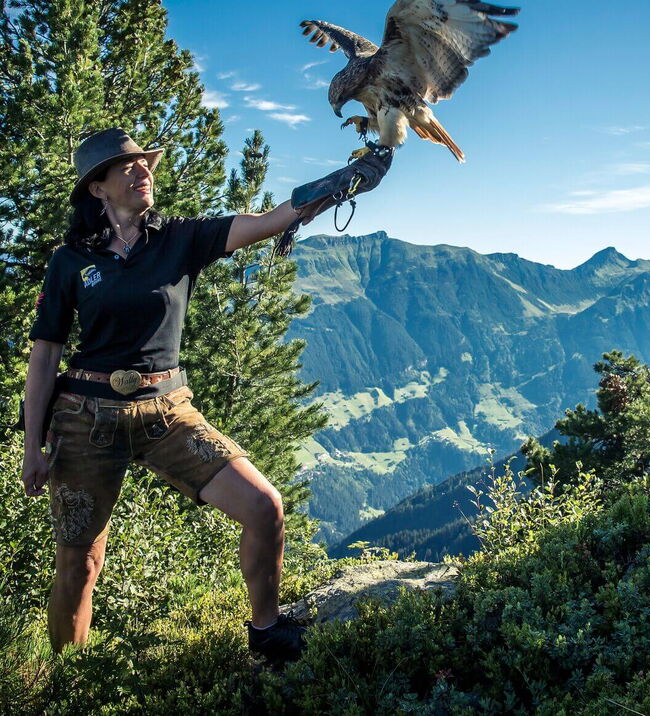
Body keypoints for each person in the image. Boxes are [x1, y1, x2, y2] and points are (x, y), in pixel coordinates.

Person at [19, 128, 391, 660]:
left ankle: (267, 633)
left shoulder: (179, 239)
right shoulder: (70, 262)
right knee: (79, 564)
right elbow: (45, 357)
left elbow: (270, 222)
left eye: (145, 164)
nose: (142, 171)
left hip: (167, 411)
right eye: (127, 167)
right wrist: (33, 445)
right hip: (85, 418)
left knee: (264, 506)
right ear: (97, 189)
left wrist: (345, 182)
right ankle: (66, 681)